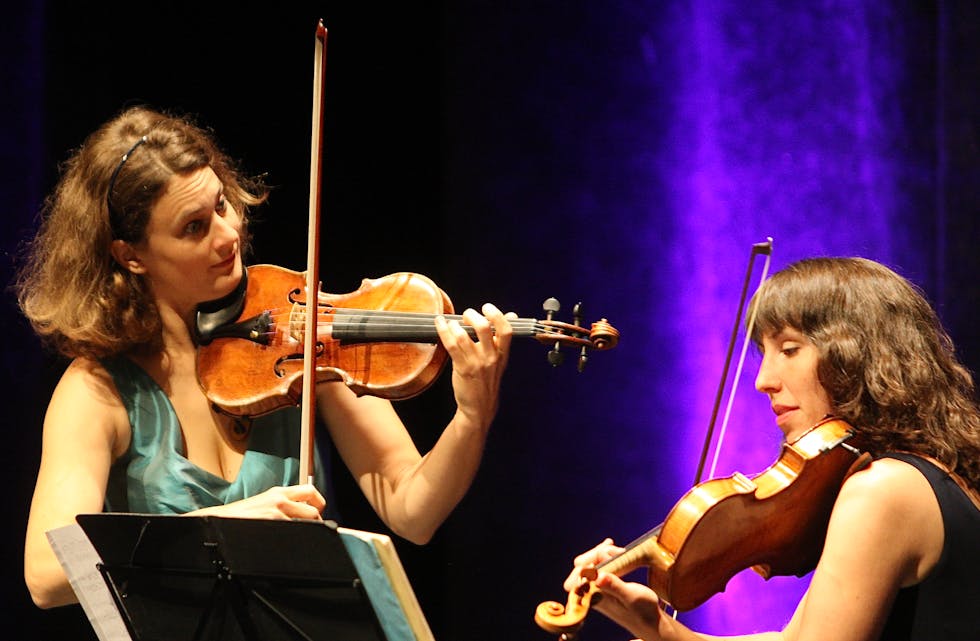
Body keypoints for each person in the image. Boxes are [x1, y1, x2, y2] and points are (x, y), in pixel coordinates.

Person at [17, 106, 515, 609]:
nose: (228, 233)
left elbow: (413, 510)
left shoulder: (299, 333)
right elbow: (46, 574)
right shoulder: (97, 392)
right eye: (194, 227)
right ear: (131, 256)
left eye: (221, 205)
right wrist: (225, 527)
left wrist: (472, 417)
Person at [563, 257, 980, 641]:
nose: (763, 380)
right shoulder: (937, 479)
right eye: (764, 352)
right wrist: (653, 624)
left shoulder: (883, 490)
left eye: (790, 349)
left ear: (857, 354)